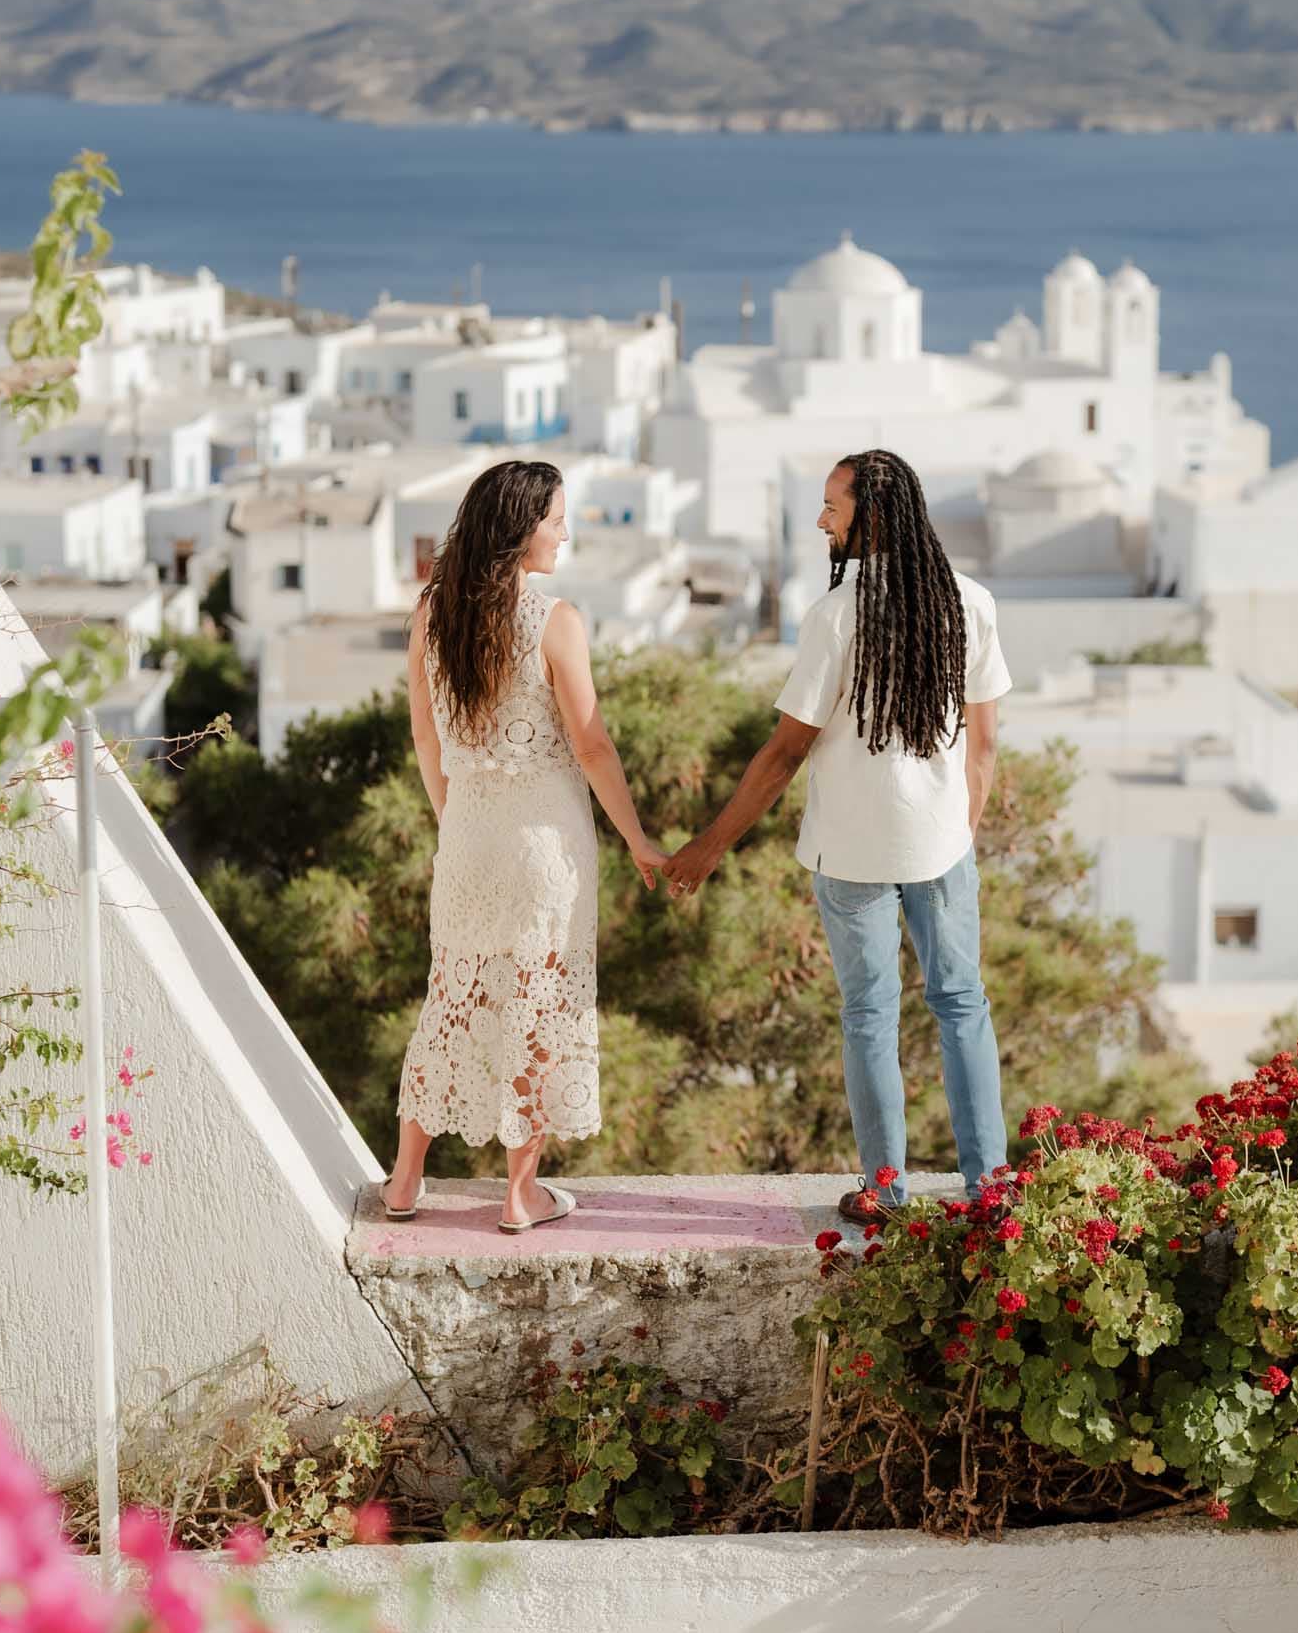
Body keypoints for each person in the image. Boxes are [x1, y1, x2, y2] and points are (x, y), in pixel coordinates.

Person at [666, 447, 1011, 1219]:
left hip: (852, 852)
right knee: (962, 1003)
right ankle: (990, 1182)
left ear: (873, 518)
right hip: (942, 846)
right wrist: (955, 834)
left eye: (833, 508)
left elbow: (786, 750)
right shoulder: (972, 603)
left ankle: (886, 1188)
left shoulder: (834, 618)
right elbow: (983, 748)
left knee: (869, 1013)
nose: (822, 521)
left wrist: (709, 846)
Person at [387, 459, 668, 1231]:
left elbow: (424, 729)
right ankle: (519, 1193)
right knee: (538, 1006)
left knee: (452, 994)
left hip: (470, 837)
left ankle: (407, 1178)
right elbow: (592, 746)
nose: (565, 532)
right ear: (521, 528)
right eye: (555, 519)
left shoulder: (430, 613)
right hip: (546, 845)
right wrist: (639, 841)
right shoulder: (556, 619)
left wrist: (456, 813)